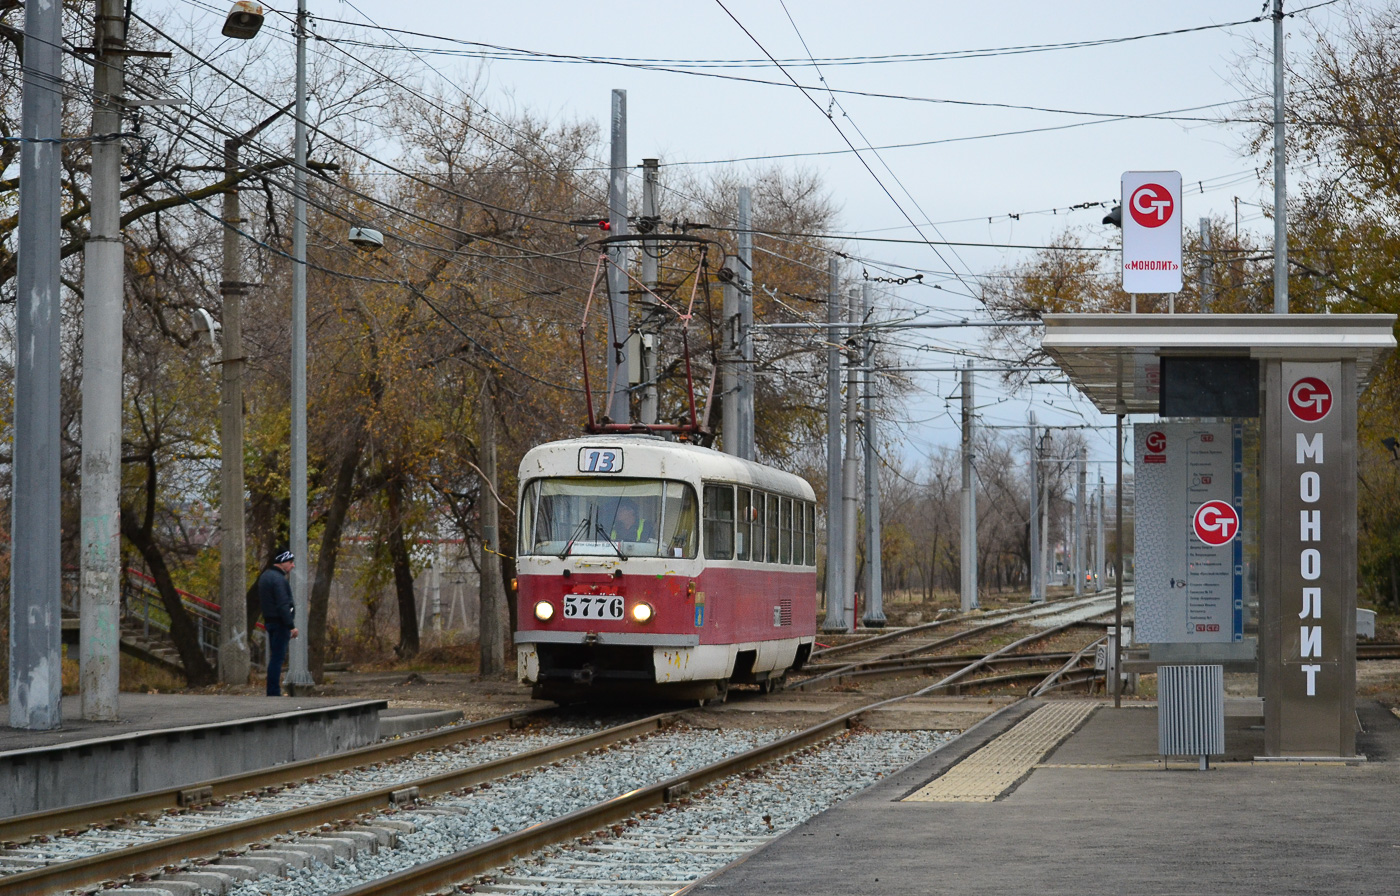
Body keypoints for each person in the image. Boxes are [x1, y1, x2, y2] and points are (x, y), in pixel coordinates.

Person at [257, 550, 299, 696]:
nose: (292, 566)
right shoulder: (279, 580)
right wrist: (291, 626)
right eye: (290, 562)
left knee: (274, 657)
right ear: (282, 562)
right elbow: (283, 605)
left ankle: (272, 690)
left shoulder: (265, 577)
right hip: (280, 623)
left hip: (269, 621)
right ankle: (273, 692)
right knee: (277, 658)